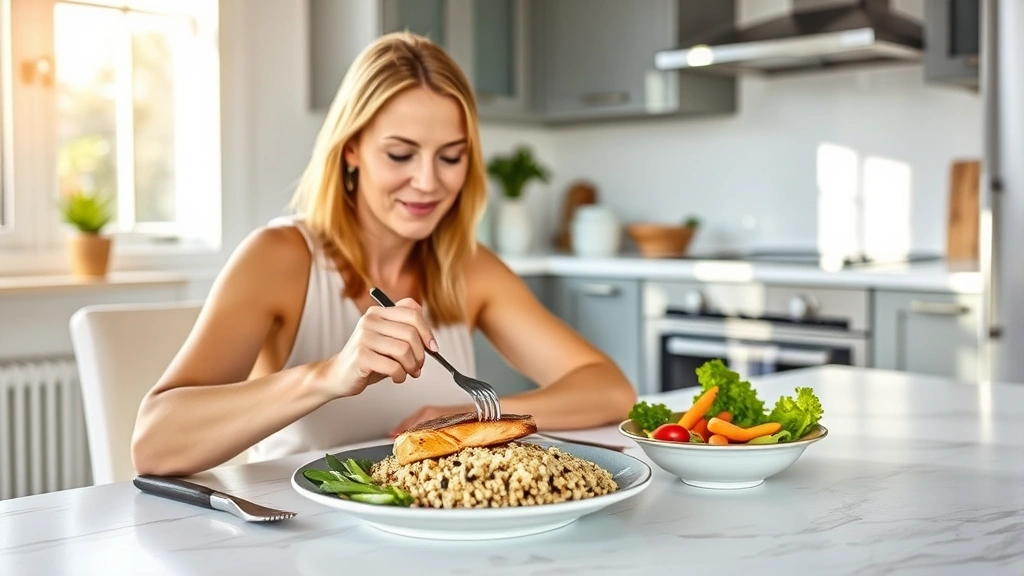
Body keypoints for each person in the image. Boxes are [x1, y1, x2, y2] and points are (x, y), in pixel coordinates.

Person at [131, 32, 636, 476]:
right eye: (400, 154)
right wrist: (330, 374)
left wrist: (480, 411)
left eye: (451, 156)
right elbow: (154, 443)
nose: (427, 182)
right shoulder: (281, 257)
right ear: (351, 149)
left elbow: (610, 390)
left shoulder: (466, 267)